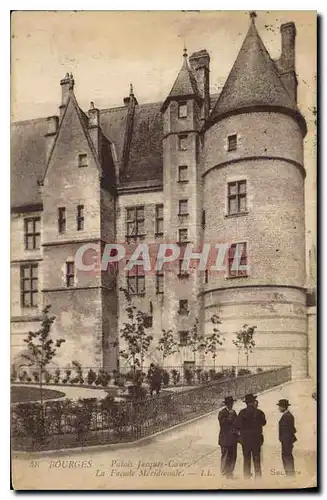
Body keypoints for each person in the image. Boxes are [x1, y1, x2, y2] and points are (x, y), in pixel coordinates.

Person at [234, 393, 266, 479]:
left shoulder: (242, 412)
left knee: (246, 459)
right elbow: (264, 423)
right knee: (257, 459)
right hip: (256, 440)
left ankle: (247, 477)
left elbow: (237, 425)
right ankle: (258, 477)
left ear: (246, 403)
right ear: (253, 402)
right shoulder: (259, 412)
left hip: (246, 440)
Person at [218, 396, 238, 479]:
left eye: (232, 403)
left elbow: (237, 423)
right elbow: (223, 424)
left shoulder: (234, 412)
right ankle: (223, 473)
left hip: (233, 438)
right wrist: (230, 415)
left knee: (233, 456)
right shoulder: (222, 413)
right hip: (225, 439)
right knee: (225, 456)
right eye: (230, 403)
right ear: (227, 404)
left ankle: (230, 472)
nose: (232, 405)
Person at [277, 399, 297, 476]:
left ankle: (290, 475)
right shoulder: (287, 415)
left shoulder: (288, 416)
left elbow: (291, 429)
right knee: (286, 456)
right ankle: (289, 474)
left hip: (287, 440)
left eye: (279, 406)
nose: (278, 408)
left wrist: (285, 438)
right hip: (286, 440)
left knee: (287, 456)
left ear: (283, 407)